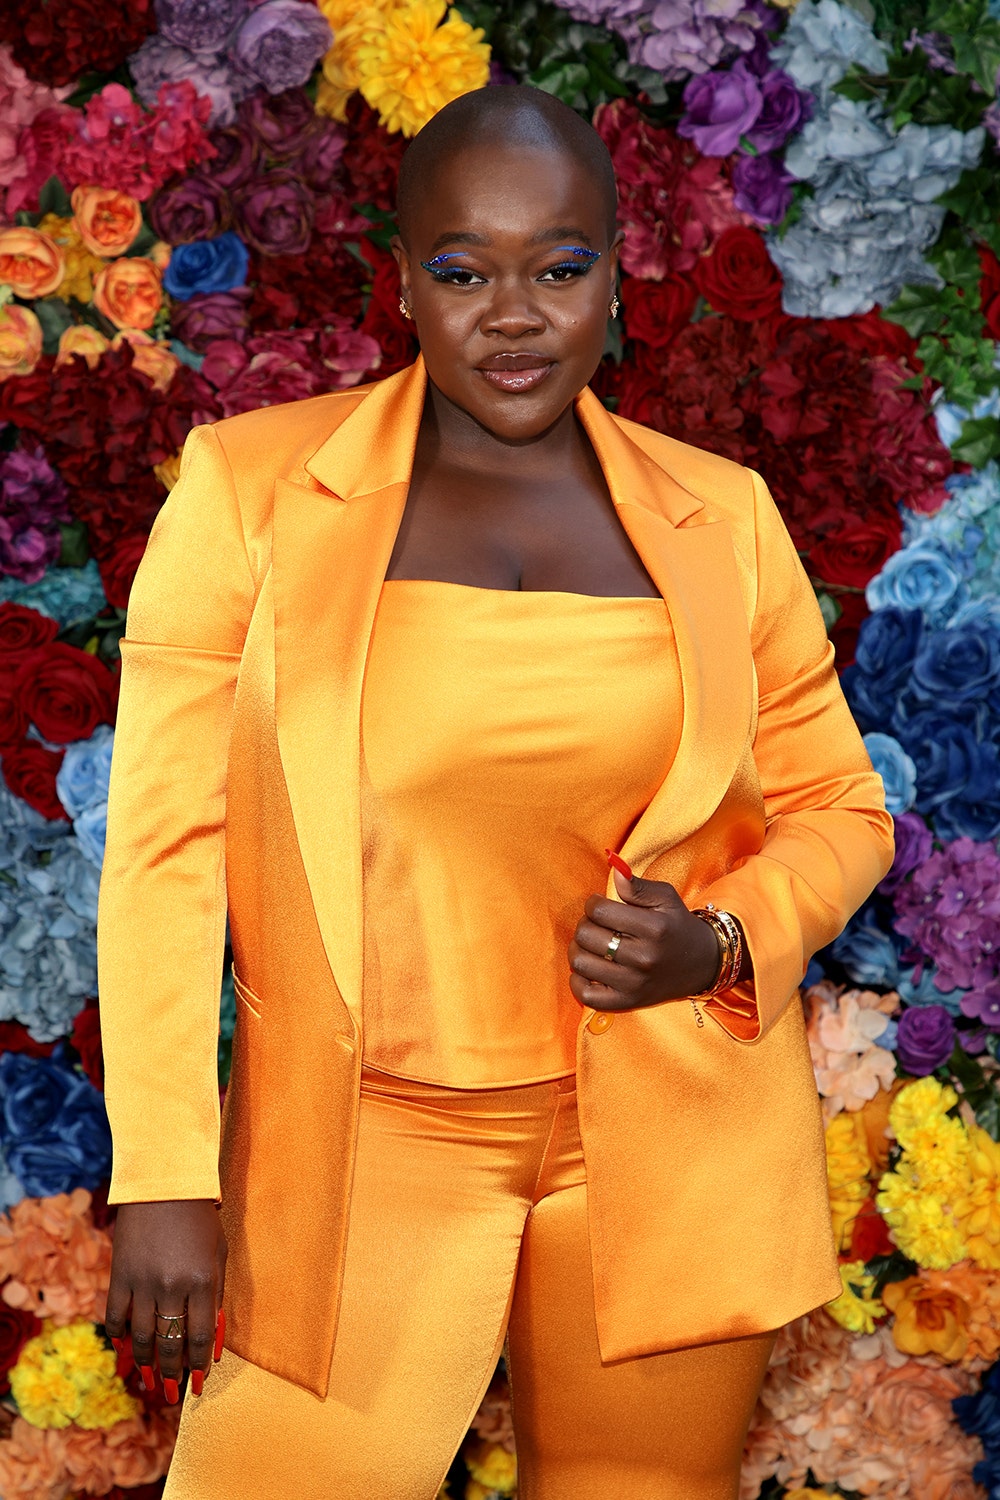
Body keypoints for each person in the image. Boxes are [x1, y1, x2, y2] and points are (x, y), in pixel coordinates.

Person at [98, 85, 894, 1500]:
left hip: (665, 1135)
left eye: (559, 267)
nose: (513, 314)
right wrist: (167, 1167)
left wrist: (713, 943)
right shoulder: (252, 493)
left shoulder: (725, 516)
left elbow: (842, 805)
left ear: (613, 280)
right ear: (402, 283)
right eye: (464, 271)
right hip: (370, 1142)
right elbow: (166, 846)